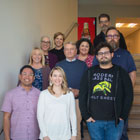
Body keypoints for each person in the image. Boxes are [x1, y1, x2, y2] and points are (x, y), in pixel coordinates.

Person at [79, 42, 133, 140]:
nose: (103, 55)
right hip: (94, 121)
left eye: (106, 53)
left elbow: (129, 95)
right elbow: (82, 94)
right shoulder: (89, 72)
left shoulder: (121, 72)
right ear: (97, 56)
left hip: (115, 121)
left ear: (112, 54)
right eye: (100, 53)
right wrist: (86, 116)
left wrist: (123, 116)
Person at [92, 27, 136, 140]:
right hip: (102, 101)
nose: (112, 38)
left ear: (119, 38)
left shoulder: (126, 55)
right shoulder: (98, 56)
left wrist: (128, 93)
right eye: (109, 36)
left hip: (120, 102)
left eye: (115, 36)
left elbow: (132, 74)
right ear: (106, 38)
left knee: (121, 133)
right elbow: (93, 76)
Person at [56, 42, 87, 140]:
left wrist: (79, 91)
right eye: (66, 49)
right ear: (64, 51)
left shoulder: (83, 65)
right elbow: (54, 82)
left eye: (71, 49)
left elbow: (88, 83)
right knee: (62, 126)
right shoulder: (58, 65)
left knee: (76, 126)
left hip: (77, 100)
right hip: (61, 100)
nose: (69, 51)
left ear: (76, 51)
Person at [37, 66, 77, 140]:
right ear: (51, 78)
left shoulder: (69, 94)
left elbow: (72, 115)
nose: (57, 78)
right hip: (48, 136)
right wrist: (45, 135)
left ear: (63, 78)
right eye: (55, 76)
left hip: (65, 136)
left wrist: (74, 134)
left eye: (60, 76)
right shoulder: (44, 94)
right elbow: (40, 116)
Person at [1, 65, 40, 140]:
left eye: (30, 75)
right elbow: (6, 118)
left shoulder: (40, 94)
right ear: (20, 76)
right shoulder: (10, 94)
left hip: (35, 137)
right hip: (16, 137)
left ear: (34, 78)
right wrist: (7, 138)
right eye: (24, 74)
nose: (27, 77)